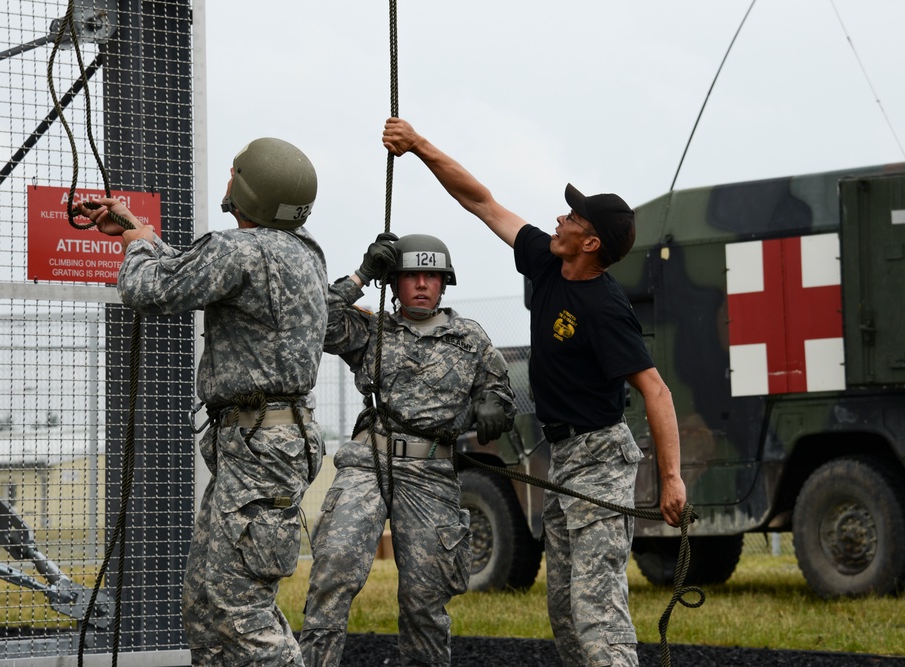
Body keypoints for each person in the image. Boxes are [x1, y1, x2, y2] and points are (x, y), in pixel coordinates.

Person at [382, 118, 687, 667]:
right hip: (564, 457)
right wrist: (419, 145)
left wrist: (671, 480)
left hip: (600, 459)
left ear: (590, 242)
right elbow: (481, 201)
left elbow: (657, 392)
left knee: (599, 619)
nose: (559, 217)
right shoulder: (548, 261)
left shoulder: (606, 309)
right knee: (567, 619)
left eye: (572, 216)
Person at [77, 138, 327, 666]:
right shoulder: (300, 250)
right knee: (208, 601)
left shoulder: (239, 249)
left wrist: (139, 245)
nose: (229, 178)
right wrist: (134, 227)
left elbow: (147, 289)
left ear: (246, 189)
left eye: (235, 173)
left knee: (240, 611)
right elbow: (198, 272)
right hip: (265, 443)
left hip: (259, 447)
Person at [298, 232, 517, 667]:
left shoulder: (470, 339)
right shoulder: (371, 327)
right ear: (394, 282)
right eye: (411, 275)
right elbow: (312, 322)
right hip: (369, 464)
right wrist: (362, 274)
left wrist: (494, 406)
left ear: (444, 282)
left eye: (431, 275)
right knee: (333, 573)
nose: (421, 283)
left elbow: (501, 397)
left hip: (431, 476)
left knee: (424, 599)